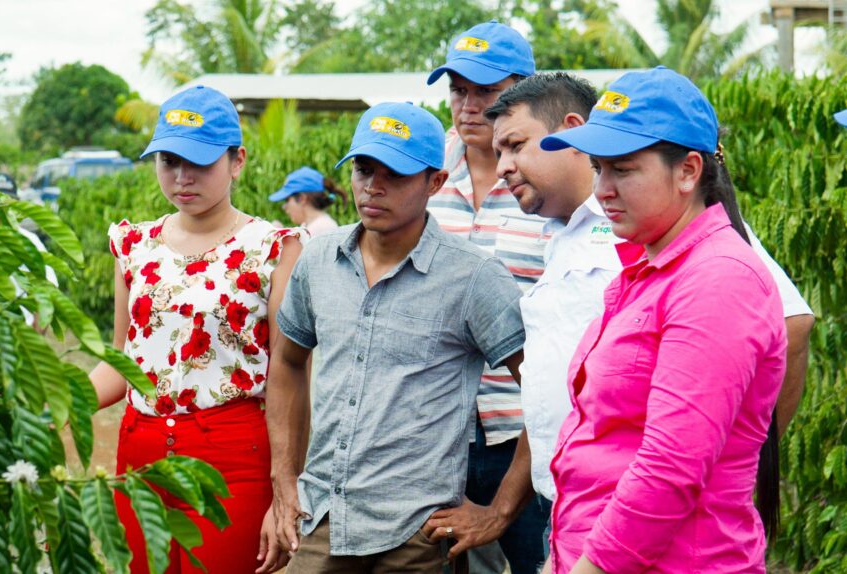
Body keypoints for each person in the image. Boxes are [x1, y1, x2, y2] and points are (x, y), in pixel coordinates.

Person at [482, 72, 816, 558]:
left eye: (624, 169)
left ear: (687, 171)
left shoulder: (717, 277)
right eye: (599, 168)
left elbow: (670, 468)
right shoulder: (642, 270)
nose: (604, 188)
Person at [266, 101, 530, 573]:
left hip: (417, 536)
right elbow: (286, 363)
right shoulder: (318, 260)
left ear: (434, 182)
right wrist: (283, 480)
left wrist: (500, 510)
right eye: (364, 169)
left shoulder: (473, 277)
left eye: (395, 174)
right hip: (323, 515)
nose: (374, 186)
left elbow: (547, 391)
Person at [89, 85, 304, 574]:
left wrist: (286, 486)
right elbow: (122, 361)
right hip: (140, 457)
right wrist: (55, 403)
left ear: (237, 161)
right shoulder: (134, 244)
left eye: (200, 162)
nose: (182, 177)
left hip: (235, 461)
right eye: (168, 160)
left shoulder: (273, 248)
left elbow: (291, 376)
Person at [424, 19, 547, 572]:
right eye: (458, 90)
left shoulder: (547, 182)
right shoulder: (422, 178)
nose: (469, 106)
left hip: (525, 433)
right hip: (434, 434)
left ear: (523, 94)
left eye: (487, 92)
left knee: (536, 559)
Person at [269, 166, 345, 236]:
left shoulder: (321, 229)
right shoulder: (314, 227)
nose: (284, 207)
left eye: (287, 200)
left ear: (302, 198)